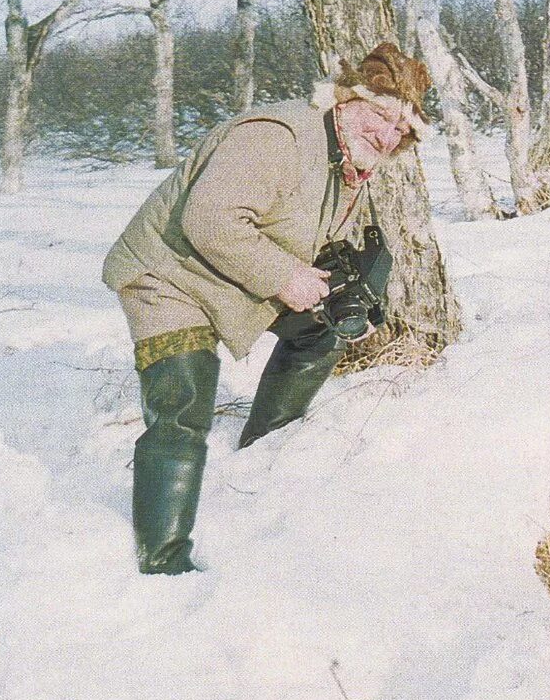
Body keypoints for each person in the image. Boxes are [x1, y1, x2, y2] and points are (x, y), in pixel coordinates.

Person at [102, 42, 433, 575]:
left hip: (237, 274)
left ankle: (262, 454)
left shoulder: (348, 163)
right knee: (183, 401)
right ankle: (163, 562)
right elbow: (211, 220)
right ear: (344, 102)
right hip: (171, 274)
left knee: (320, 332)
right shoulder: (278, 138)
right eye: (379, 115)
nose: (387, 135)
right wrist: (284, 276)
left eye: (402, 131)